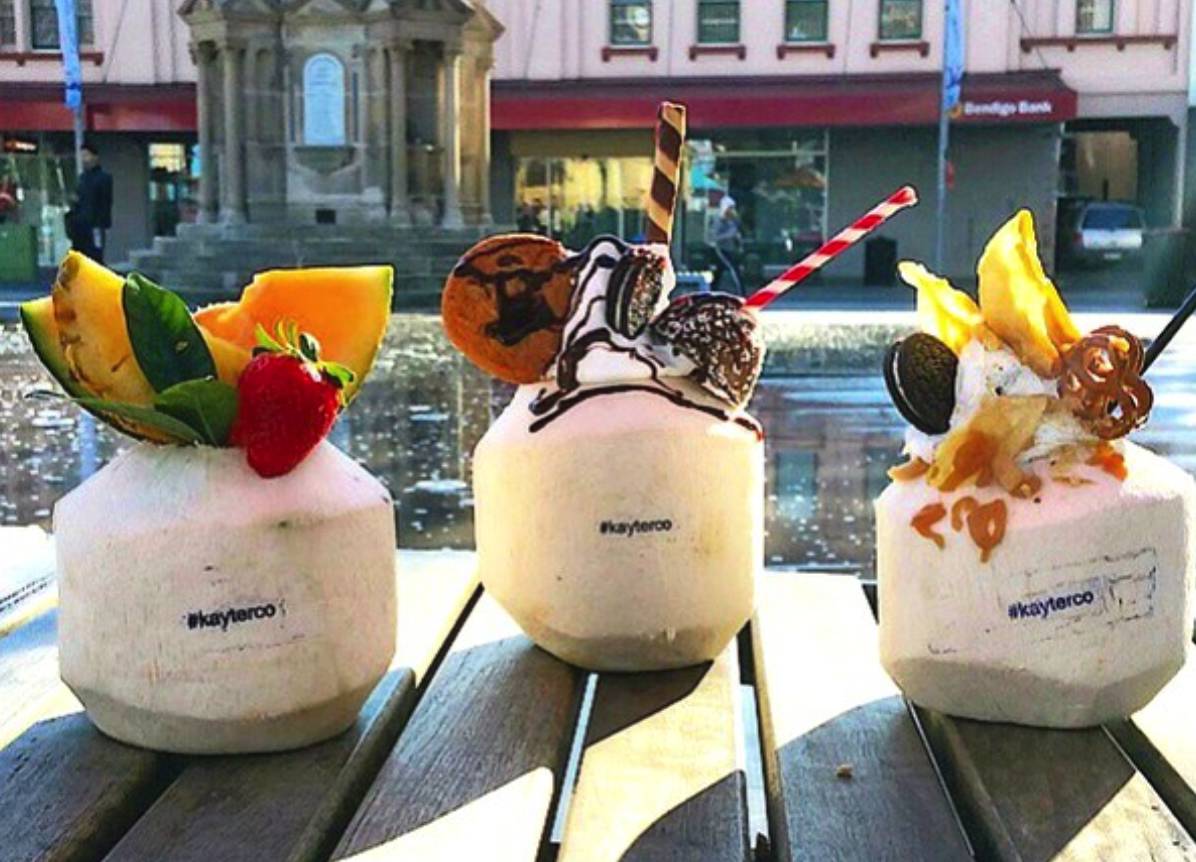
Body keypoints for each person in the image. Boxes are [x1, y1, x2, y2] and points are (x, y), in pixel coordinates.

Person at [68, 141, 113, 263]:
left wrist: (100, 224)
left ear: (95, 157)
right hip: (80, 227)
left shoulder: (104, 178)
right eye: (82, 156)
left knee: (95, 257)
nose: (84, 159)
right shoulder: (82, 178)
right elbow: (77, 201)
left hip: (95, 226)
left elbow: (106, 203)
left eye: (87, 155)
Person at [710, 194, 744, 295]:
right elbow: (715, 237)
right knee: (734, 269)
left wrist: (739, 242)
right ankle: (741, 292)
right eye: (730, 208)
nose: (732, 210)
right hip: (721, 249)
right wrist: (728, 235)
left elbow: (737, 233)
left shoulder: (733, 220)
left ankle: (712, 290)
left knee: (719, 272)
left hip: (731, 248)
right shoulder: (719, 220)